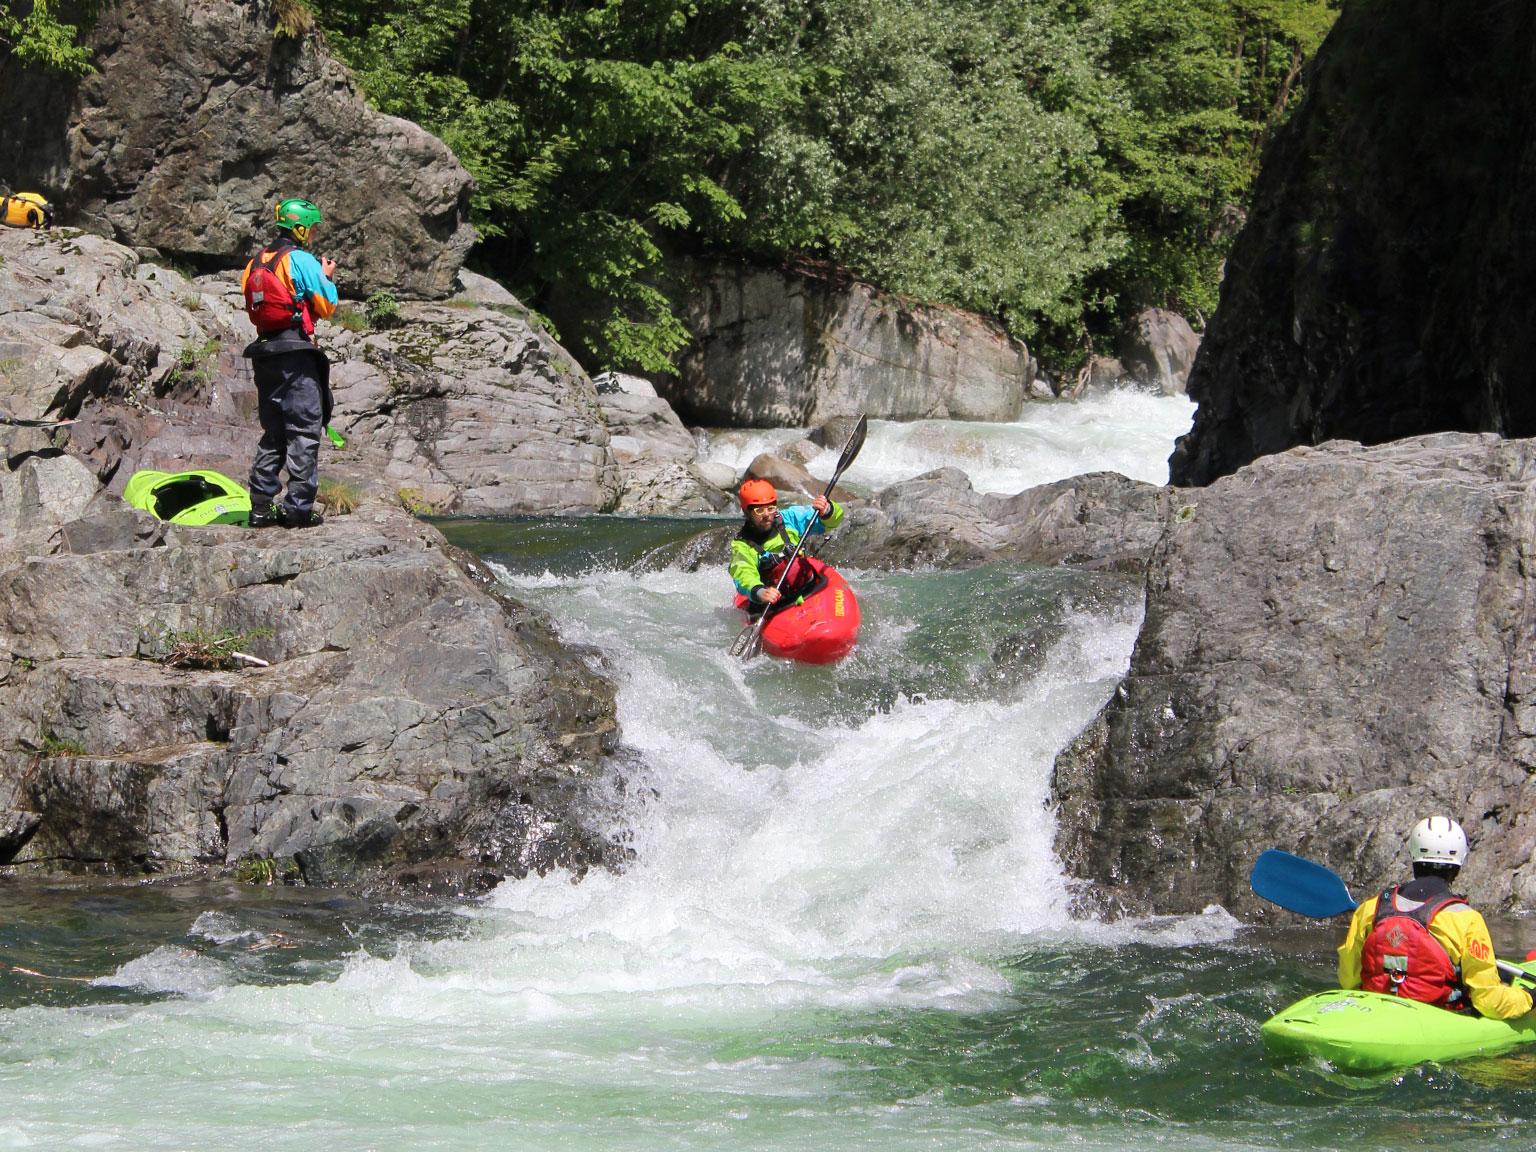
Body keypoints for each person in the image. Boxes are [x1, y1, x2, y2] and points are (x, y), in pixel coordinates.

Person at [1336, 816, 1533, 1018]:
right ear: (1458, 865)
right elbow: (1488, 1001)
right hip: (1439, 1016)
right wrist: (1529, 998)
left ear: (1413, 857)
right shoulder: (1466, 918)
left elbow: (1348, 980)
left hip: (1373, 1011)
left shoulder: (1371, 908)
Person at [240, 197, 339, 529]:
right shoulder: (300, 259)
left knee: (274, 433)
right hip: (296, 355)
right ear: (299, 228)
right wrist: (325, 276)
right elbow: (326, 306)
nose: (311, 235)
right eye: (310, 228)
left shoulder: (254, 264)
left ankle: (260, 507)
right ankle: (298, 508)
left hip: (265, 355)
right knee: (303, 431)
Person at [729, 478, 844, 614]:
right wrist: (760, 592)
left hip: (808, 587)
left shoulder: (789, 518)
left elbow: (830, 522)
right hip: (776, 602)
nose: (766, 515)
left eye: (770, 508)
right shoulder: (742, 545)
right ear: (747, 512)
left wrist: (828, 510)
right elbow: (743, 572)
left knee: (795, 566)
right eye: (759, 511)